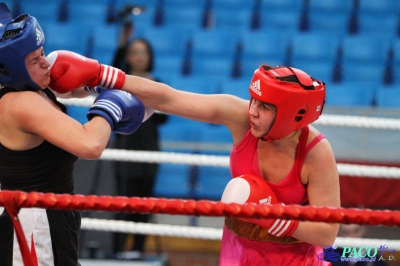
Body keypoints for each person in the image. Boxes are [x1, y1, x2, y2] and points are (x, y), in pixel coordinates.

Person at [46, 48, 341, 265]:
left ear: (292, 115)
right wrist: (101, 77)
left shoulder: (316, 153)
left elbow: (328, 233)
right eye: (253, 100)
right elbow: (167, 97)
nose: (251, 110)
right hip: (239, 253)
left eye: (264, 107)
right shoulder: (241, 117)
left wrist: (274, 217)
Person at [0, 3, 149, 265]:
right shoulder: (20, 102)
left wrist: (97, 77)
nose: (45, 62)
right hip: (33, 221)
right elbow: (90, 144)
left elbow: (78, 85)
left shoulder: (34, 86)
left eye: (42, 52)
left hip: (51, 213)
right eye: (34, 59)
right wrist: (110, 106)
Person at [111, 33, 168, 258]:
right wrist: (121, 44)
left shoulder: (158, 84)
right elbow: (108, 78)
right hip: (125, 146)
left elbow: (164, 118)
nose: (140, 56)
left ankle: (138, 252)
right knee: (121, 201)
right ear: (128, 56)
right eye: (134, 52)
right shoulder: (120, 82)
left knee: (144, 202)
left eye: (143, 52)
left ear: (150, 56)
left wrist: (152, 99)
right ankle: (117, 253)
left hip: (148, 149)